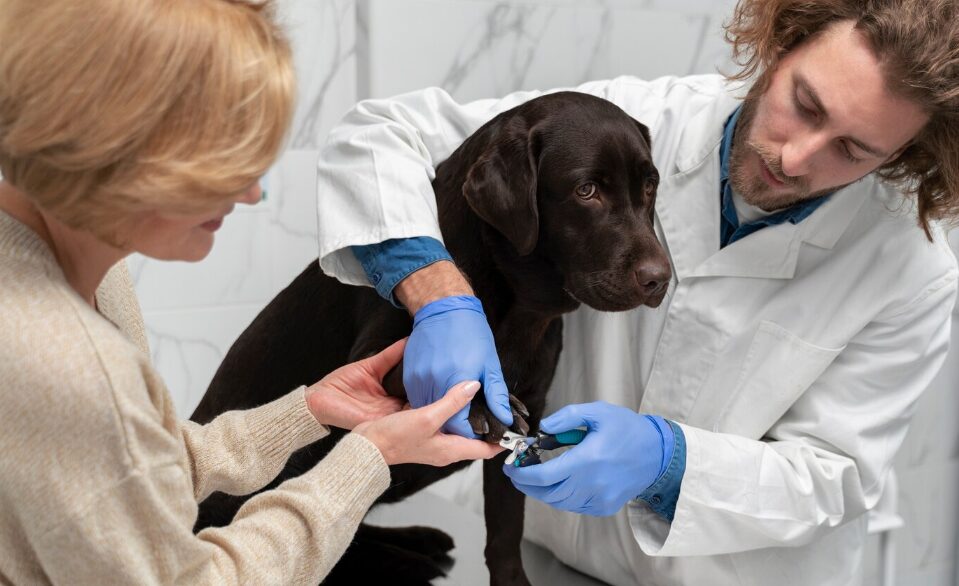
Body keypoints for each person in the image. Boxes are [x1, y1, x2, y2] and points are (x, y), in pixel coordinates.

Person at [313, 0, 959, 584]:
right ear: (781, 42)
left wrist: (665, 461)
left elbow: (834, 477)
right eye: (805, 104)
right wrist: (437, 296)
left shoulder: (911, 269)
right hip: (548, 554)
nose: (796, 158)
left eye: (851, 148)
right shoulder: (633, 123)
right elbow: (378, 137)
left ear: (904, 155)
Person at [0, 0, 502, 584]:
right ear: (118, 142)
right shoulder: (70, 362)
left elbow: (115, 480)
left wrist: (306, 411)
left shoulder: (73, 273)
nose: (252, 193)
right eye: (224, 158)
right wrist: (368, 460)